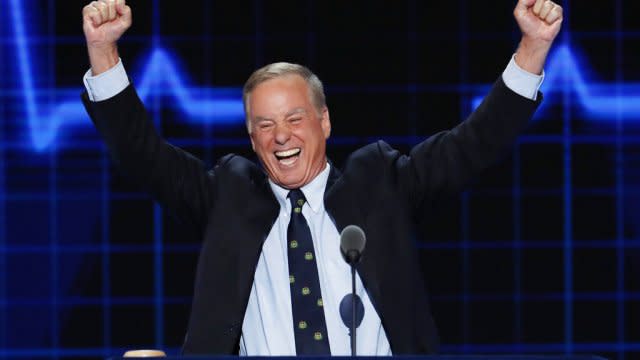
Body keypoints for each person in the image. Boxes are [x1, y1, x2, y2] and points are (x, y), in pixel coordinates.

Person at [81, 0, 563, 355]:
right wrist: (102, 51)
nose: (280, 137)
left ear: (324, 122)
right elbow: (142, 153)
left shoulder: (378, 182)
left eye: (294, 119)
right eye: (264, 125)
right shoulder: (225, 194)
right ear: (251, 138)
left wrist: (532, 47)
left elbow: (473, 146)